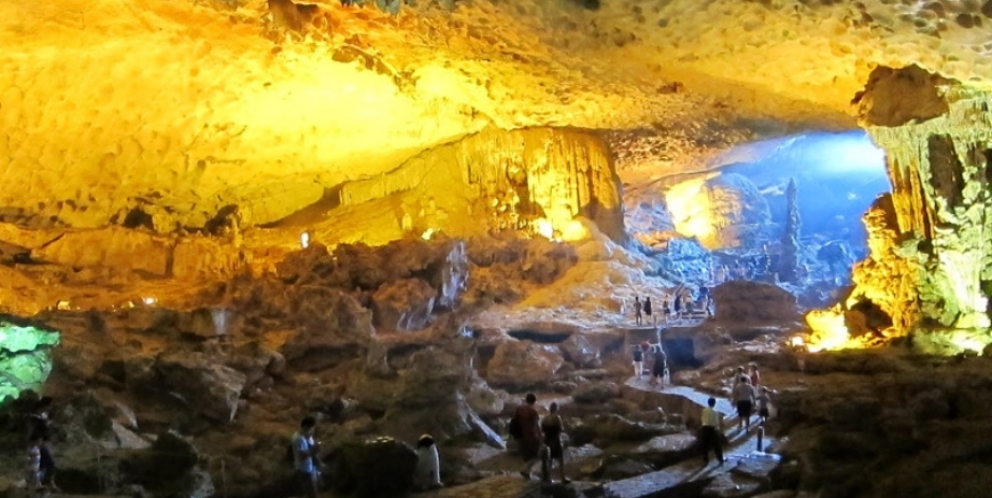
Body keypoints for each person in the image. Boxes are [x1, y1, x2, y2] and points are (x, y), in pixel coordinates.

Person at [512, 393, 543, 479]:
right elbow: (535, 426)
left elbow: (514, 421)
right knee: (536, 455)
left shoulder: (519, 409)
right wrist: (540, 437)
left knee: (526, 455)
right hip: (530, 436)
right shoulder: (533, 412)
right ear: (534, 401)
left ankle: (527, 472)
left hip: (520, 435)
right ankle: (525, 470)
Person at [540, 402, 569, 484]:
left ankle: (548, 478)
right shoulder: (557, 418)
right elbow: (561, 429)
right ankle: (562, 477)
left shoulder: (544, 418)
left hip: (547, 440)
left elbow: (542, 429)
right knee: (560, 460)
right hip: (556, 440)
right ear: (556, 409)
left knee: (549, 460)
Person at [292, 416, 321, 498]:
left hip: (309, 468)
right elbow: (302, 455)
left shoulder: (306, 436)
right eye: (312, 428)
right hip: (303, 470)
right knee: (311, 494)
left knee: (313, 491)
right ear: (306, 426)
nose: (312, 430)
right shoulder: (298, 439)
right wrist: (314, 450)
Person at [700, 397, 724, 465]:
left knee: (704, 445)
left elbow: (702, 419)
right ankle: (720, 459)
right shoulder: (715, 412)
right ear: (714, 404)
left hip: (704, 428)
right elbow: (716, 423)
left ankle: (705, 460)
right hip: (712, 429)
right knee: (716, 445)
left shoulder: (704, 410)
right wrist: (718, 429)